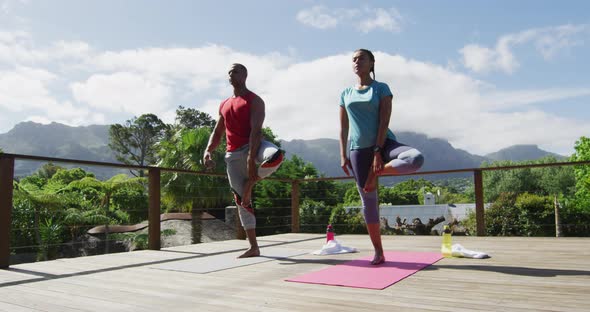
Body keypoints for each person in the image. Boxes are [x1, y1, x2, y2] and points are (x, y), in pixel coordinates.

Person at [339, 49, 424, 265]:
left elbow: (385, 119)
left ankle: (374, 173)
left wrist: (378, 152)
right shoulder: (345, 93)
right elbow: (343, 128)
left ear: (372, 63)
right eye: (354, 59)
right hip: (357, 150)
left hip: (384, 143)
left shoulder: (381, 88)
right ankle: (378, 251)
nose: (357, 62)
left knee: (415, 158)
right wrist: (343, 155)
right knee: (368, 201)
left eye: (362, 58)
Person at [203, 63, 284, 258]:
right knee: (241, 201)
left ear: (245, 75)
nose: (231, 74)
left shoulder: (254, 100)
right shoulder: (224, 104)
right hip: (232, 154)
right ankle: (253, 247)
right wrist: (208, 151)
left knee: (276, 156)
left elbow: (255, 131)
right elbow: (218, 131)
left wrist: (250, 161)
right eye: (229, 71)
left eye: (236, 71)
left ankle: (251, 182)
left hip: (255, 146)